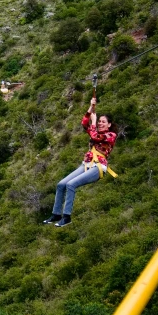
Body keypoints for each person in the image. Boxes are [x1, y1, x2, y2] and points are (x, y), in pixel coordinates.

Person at [44, 97, 117, 227]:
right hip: (86, 165)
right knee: (61, 185)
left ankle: (66, 217)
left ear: (109, 124)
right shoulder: (96, 131)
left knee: (71, 185)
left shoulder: (110, 135)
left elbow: (95, 136)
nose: (100, 123)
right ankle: (56, 214)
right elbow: (84, 123)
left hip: (98, 167)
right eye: (99, 121)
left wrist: (93, 122)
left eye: (103, 122)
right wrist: (90, 108)